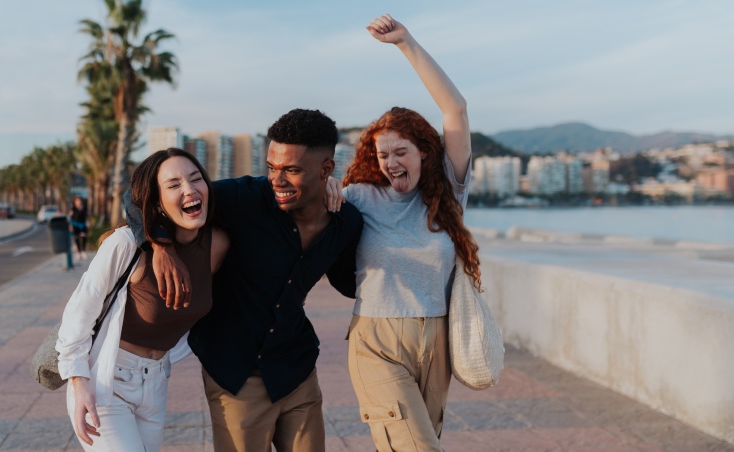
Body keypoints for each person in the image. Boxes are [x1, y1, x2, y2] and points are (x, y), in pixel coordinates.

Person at [126, 109, 363, 451]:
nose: (277, 181)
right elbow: (137, 196)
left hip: (296, 369)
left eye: (291, 170)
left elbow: (348, 281)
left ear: (327, 169)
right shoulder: (242, 200)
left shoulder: (345, 222)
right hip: (236, 376)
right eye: (272, 167)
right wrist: (160, 245)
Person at [338, 14, 480, 451]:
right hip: (376, 341)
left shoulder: (449, 196)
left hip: (436, 342)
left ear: (425, 152)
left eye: (401, 151)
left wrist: (407, 44)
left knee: (417, 442)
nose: (391, 162)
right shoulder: (359, 196)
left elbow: (455, 109)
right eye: (383, 154)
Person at [56, 148, 229, 452]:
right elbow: (79, 311)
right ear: (156, 202)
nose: (189, 189)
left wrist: (335, 187)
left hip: (157, 383)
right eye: (173, 185)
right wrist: (77, 382)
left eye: (195, 179)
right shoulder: (125, 245)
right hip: (107, 383)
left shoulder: (217, 245)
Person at [70, 196, 89, 261]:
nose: (78, 202)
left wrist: (89, 223)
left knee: (84, 238)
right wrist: (70, 226)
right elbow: (71, 217)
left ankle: (83, 252)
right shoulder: (73, 208)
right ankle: (78, 253)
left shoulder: (84, 208)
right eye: (77, 200)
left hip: (83, 225)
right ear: (75, 202)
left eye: (79, 200)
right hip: (75, 225)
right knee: (76, 238)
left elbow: (88, 216)